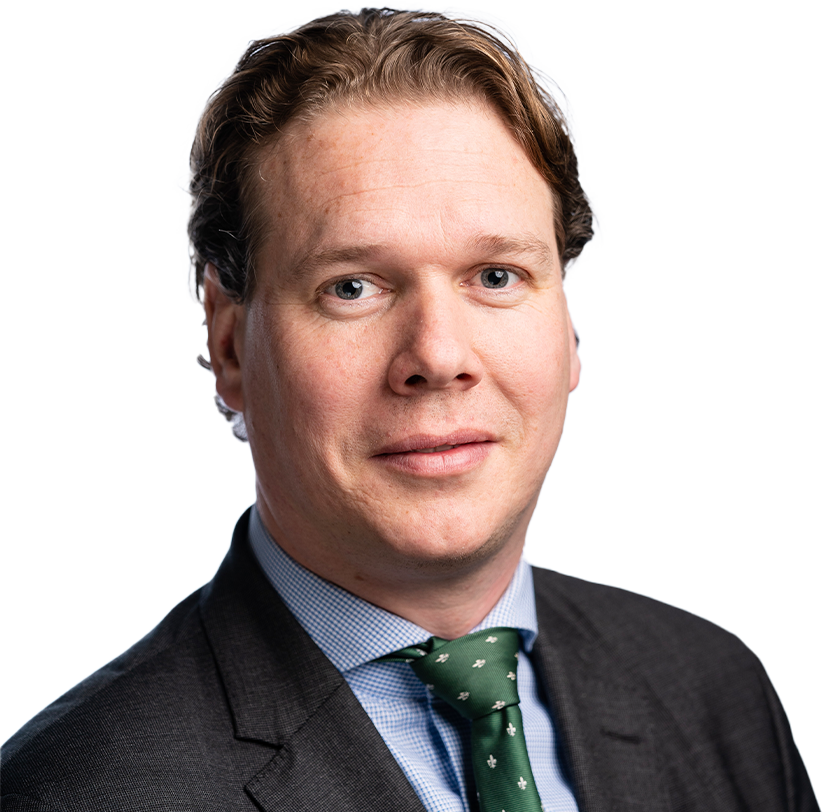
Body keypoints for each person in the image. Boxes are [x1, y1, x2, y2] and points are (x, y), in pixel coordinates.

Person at [0, 7, 817, 811]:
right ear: (230, 345)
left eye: (495, 276)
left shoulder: (713, 694)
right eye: (352, 287)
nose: (438, 356)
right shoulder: (76, 794)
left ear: (566, 325)